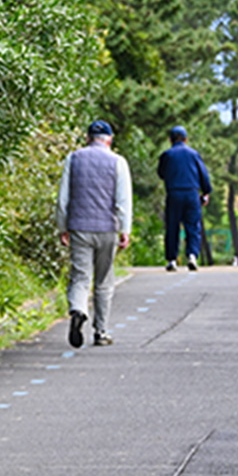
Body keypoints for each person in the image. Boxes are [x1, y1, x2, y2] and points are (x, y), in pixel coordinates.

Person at [56, 119, 133, 348]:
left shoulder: (73, 158)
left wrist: (63, 227)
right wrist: (125, 230)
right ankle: (101, 331)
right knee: (104, 281)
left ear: (88, 138)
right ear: (109, 140)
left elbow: (63, 199)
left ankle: (78, 310)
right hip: (107, 229)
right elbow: (123, 200)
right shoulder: (118, 162)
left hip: (79, 228)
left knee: (80, 277)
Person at [157, 125, 212, 272]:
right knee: (193, 226)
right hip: (191, 193)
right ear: (186, 139)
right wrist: (206, 192)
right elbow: (203, 174)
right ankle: (192, 256)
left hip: (174, 192)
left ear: (170, 140)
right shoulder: (194, 154)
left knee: (172, 226)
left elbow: (161, 173)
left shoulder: (166, 155)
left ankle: (172, 260)